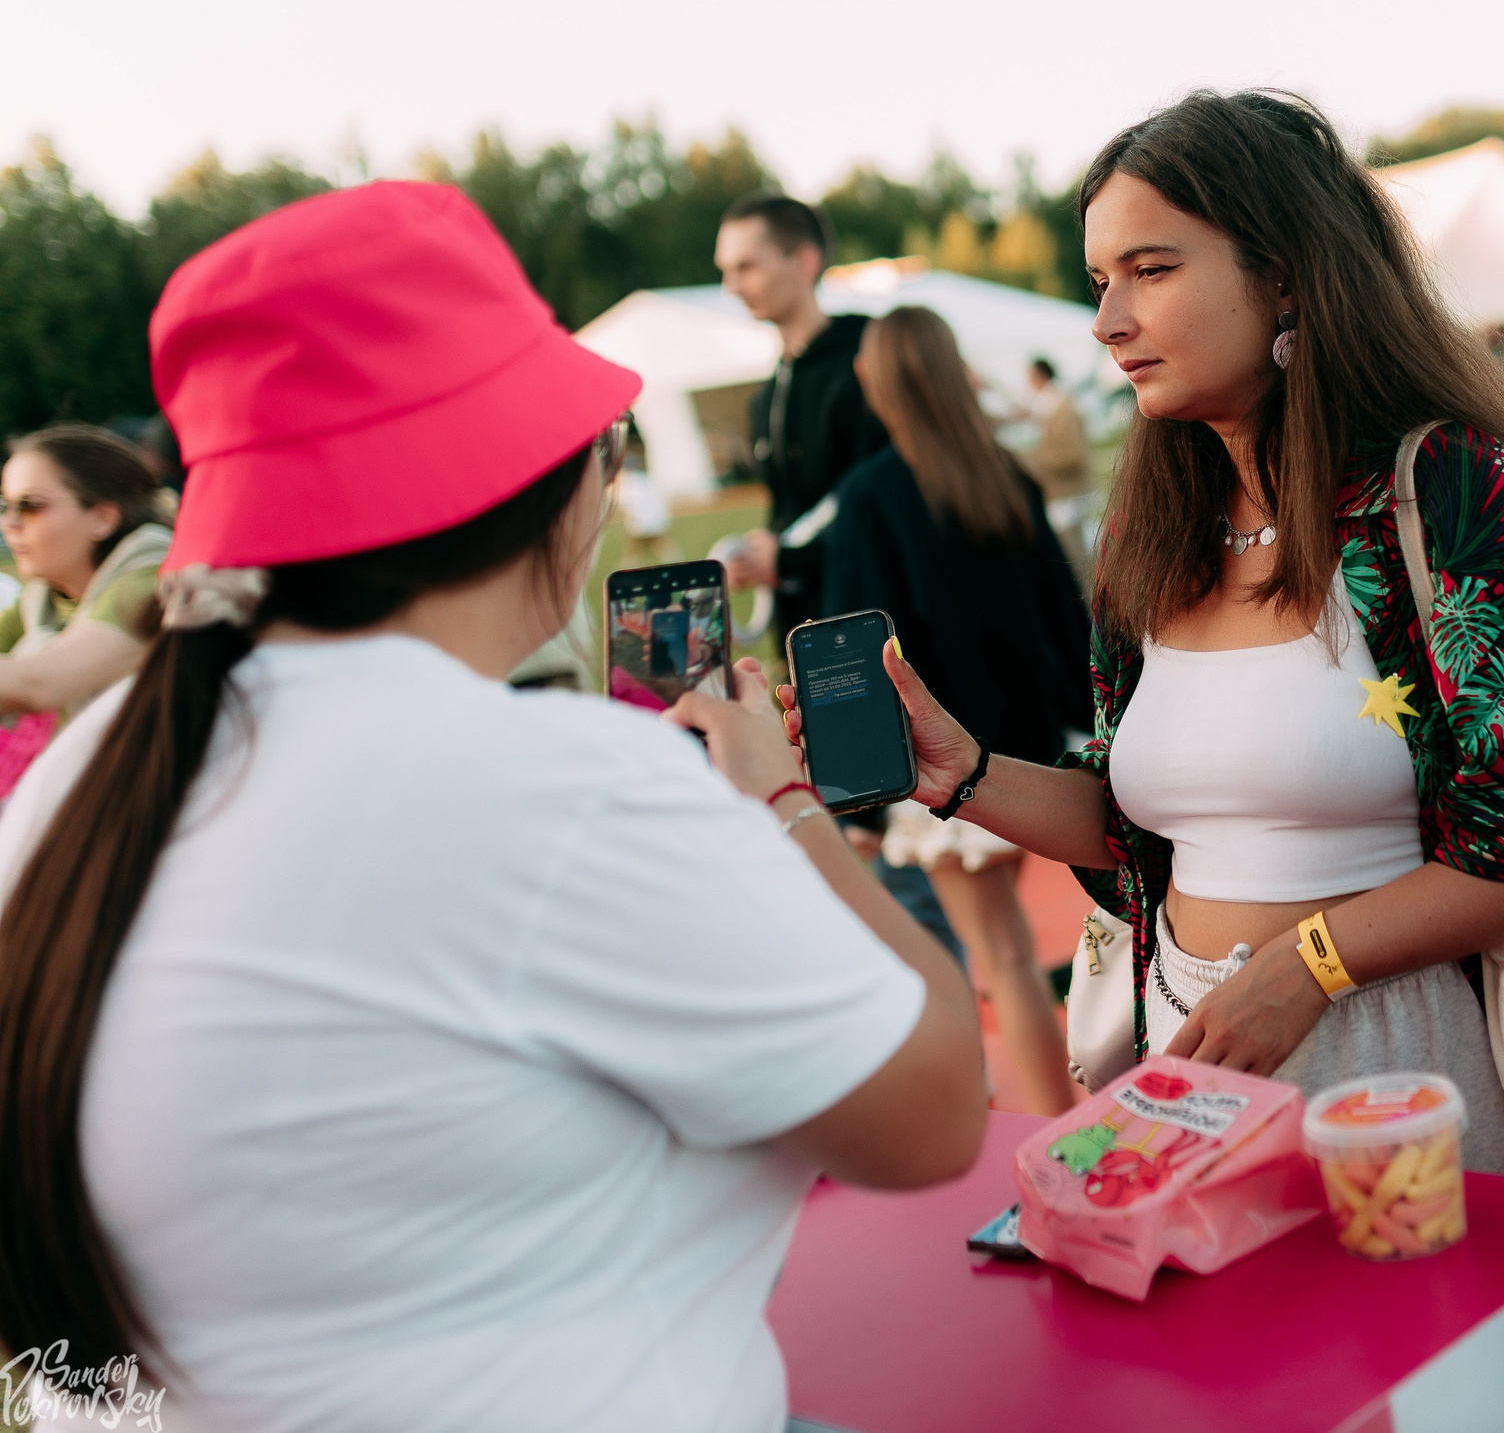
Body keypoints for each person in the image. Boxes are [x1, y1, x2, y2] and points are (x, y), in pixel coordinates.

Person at [0, 183, 982, 1428]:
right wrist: (783, 796)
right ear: (549, 487)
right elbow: (938, 1105)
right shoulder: (556, 780)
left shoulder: (83, 777)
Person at [797, 89, 1504, 1176]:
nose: (1107, 321)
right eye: (1100, 281)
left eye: (1150, 268)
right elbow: (1141, 833)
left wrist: (1311, 963)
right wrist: (961, 772)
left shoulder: (1449, 493)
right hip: (1191, 1061)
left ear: (1283, 269)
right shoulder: (1154, 533)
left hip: (1401, 1069)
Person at [825, 306, 1092, 1116]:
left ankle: (1052, 1136)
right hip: (1034, 754)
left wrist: (860, 794)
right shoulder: (1004, 475)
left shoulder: (871, 498)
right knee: (1022, 950)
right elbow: (1066, 616)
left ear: (877, 381)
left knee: (1001, 958)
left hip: (944, 768)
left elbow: (856, 651)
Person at [716, 192, 887, 642]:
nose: (730, 286)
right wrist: (761, 552)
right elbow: (799, 507)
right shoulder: (769, 392)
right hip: (804, 631)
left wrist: (789, 558)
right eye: (725, 270)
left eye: (746, 266)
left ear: (804, 261)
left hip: (871, 631)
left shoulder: (867, 363)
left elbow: (879, 496)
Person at [0, 425, 173, 728]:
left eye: (30, 506)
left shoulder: (150, 585)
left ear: (102, 518)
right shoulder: (42, 599)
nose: (9, 523)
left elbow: (41, 682)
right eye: (5, 505)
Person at [1018, 355, 1095, 583]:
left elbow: (1070, 454)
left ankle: (1095, 612)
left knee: (1076, 561)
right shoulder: (1052, 405)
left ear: (1040, 376)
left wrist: (1031, 459)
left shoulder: (1061, 406)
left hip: (1069, 495)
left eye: (1029, 377)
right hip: (1065, 494)